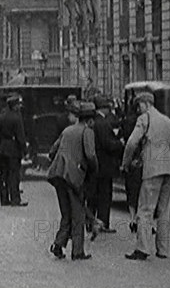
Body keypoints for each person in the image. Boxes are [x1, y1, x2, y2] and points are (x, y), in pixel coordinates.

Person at [122, 92, 170, 260]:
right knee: (164, 211)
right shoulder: (167, 121)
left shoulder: (144, 119)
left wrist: (126, 163)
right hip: (167, 171)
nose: (138, 109)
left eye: (139, 105)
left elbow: (131, 143)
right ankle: (163, 250)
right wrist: (165, 158)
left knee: (145, 209)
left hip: (151, 171)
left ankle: (142, 249)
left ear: (145, 103)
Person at [47, 101, 98, 260]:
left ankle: (58, 244)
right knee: (78, 215)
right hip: (73, 177)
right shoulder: (87, 132)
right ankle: (77, 251)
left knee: (66, 213)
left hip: (57, 175)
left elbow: (52, 151)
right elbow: (90, 155)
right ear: (90, 120)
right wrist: (93, 169)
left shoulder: (67, 130)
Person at [86, 95, 124, 233]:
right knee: (104, 195)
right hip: (104, 165)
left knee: (92, 195)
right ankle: (102, 223)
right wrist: (120, 143)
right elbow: (108, 144)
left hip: (94, 165)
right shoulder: (102, 123)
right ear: (105, 109)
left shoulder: (93, 121)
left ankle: (90, 222)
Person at [0, 95, 28, 206]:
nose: (19, 106)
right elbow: (20, 135)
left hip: (3, 147)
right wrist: (24, 149)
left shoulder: (2, 116)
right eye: (18, 104)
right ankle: (15, 199)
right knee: (14, 174)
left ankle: (4, 198)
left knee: (4, 174)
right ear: (15, 106)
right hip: (13, 148)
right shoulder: (16, 117)